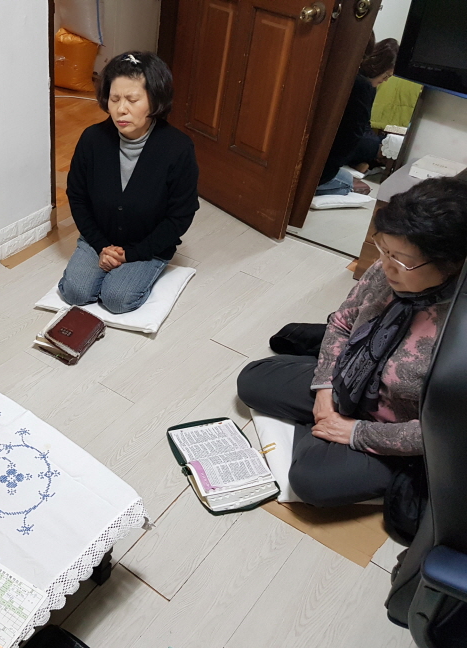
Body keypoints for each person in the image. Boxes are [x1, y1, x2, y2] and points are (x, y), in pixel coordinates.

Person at [238, 177, 467, 506]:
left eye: (402, 260)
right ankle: (328, 432)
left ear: (451, 263)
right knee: (252, 380)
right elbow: (342, 322)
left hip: (397, 424)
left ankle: (338, 441)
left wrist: (357, 433)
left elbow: (447, 431)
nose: (387, 265)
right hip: (350, 382)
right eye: (384, 249)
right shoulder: (385, 270)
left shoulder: (458, 329)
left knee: (311, 481)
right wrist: (324, 390)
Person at [58, 51, 199, 314]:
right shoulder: (92, 139)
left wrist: (133, 254)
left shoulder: (178, 148)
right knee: (75, 293)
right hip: (100, 237)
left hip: (148, 244)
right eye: (114, 99)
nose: (121, 109)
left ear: (155, 100)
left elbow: (180, 215)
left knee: (117, 299)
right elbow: (77, 196)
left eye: (132, 100)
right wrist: (101, 245)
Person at [316, 37, 399, 196]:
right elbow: (352, 134)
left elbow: (362, 125)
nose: (385, 81)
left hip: (335, 152)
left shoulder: (366, 86)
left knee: (372, 142)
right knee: (347, 182)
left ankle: (365, 161)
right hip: (330, 159)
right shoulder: (362, 85)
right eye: (386, 76)